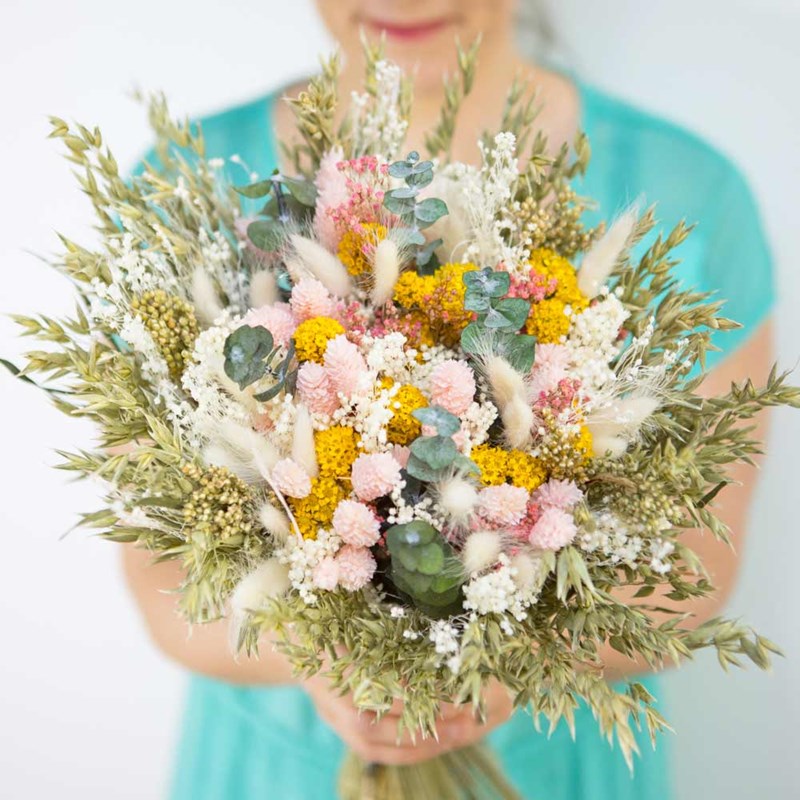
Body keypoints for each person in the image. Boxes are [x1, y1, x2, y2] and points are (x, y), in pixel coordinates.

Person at [123, 2, 776, 797]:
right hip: (273, 771)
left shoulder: (691, 196)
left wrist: (508, 665)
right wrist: (331, 664)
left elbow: (696, 564)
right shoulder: (182, 184)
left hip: (557, 763)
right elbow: (155, 572)